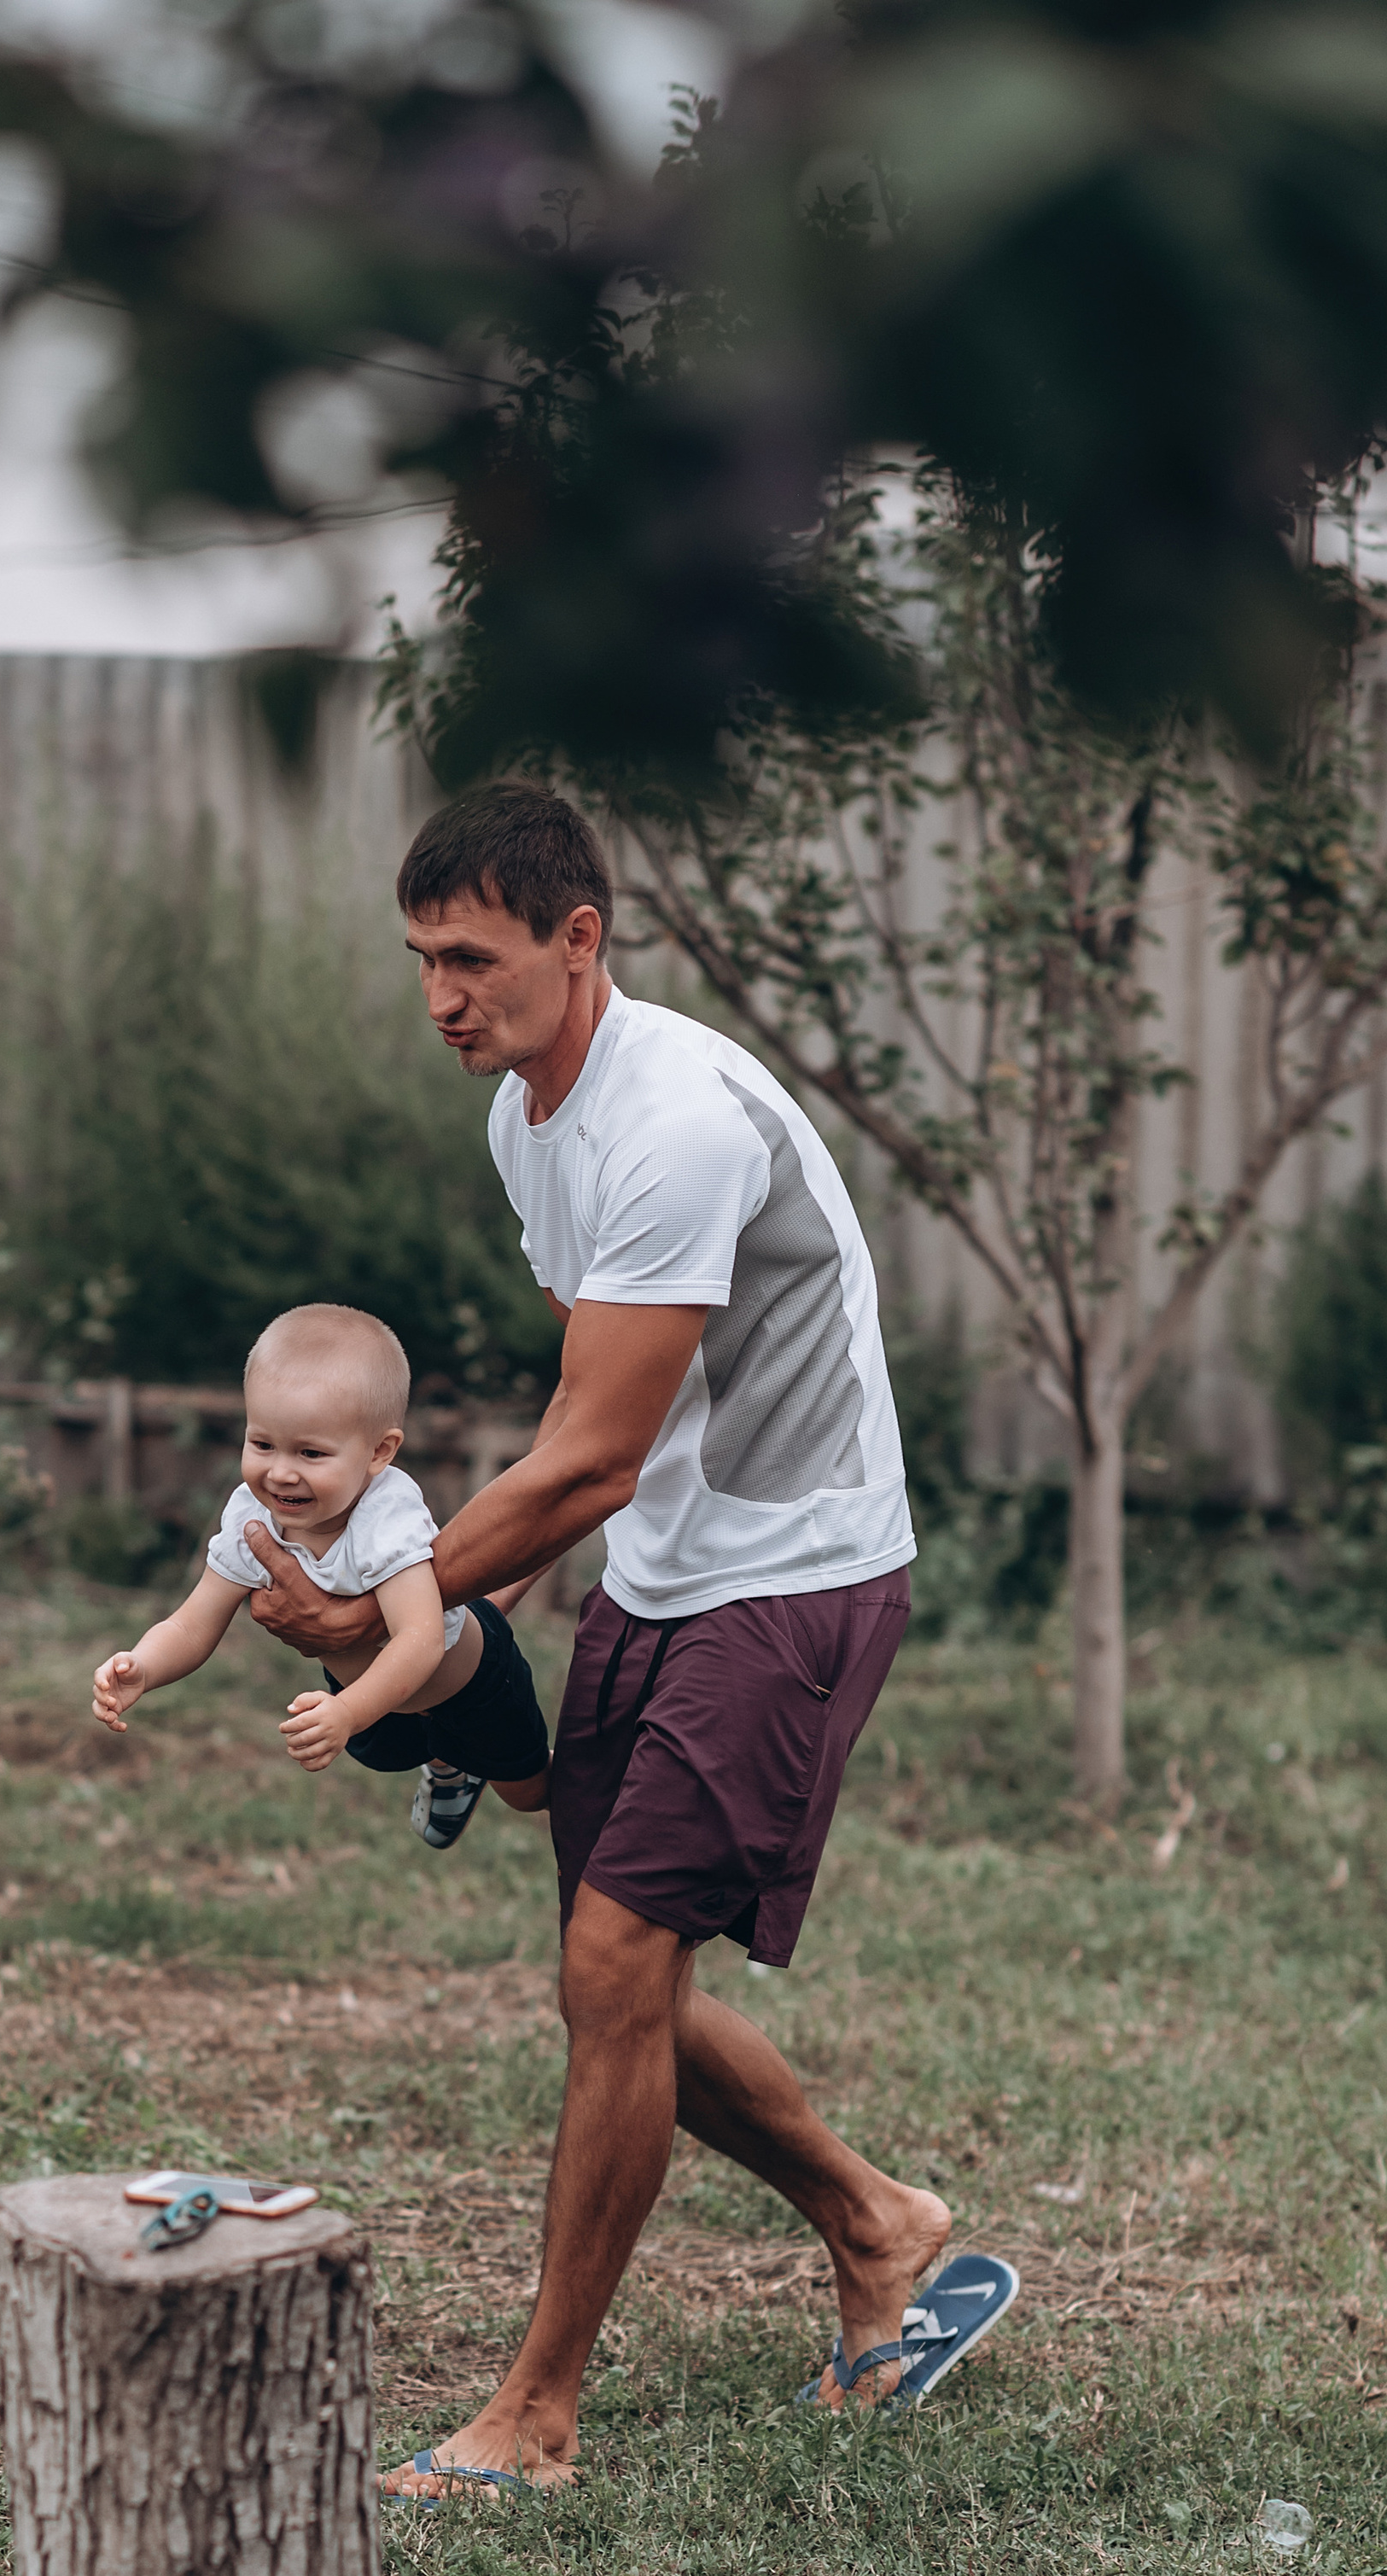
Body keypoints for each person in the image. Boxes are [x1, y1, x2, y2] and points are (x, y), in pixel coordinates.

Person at [240, 783, 995, 2477]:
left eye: (476, 958)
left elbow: (581, 1452)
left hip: (793, 1570)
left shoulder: (674, 1124)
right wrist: (472, 1604)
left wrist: (395, 1599)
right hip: (667, 1560)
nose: (443, 994)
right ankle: (876, 2222)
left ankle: (537, 2411)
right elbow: (617, 1413)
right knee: (614, 1979)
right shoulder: (526, 1119)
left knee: (609, 1965)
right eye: (422, 959)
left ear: (578, 943)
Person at [90, 1302, 551, 1833]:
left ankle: (583, 1782)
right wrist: (144, 1667)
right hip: (376, 1701)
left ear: (379, 1452)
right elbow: (193, 1622)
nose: (281, 1473)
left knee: (529, 1792)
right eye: (262, 1444)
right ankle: (448, 1763)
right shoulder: (252, 1514)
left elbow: (419, 1640)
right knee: (385, 1754)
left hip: (471, 1682)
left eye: (311, 1454)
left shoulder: (384, 1515)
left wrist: (349, 1712)